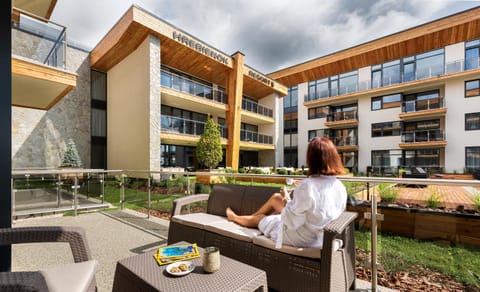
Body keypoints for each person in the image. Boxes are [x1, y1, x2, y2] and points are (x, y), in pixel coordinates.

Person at [226, 137, 347, 248]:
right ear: (333, 158)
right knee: (274, 204)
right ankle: (249, 218)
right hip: (321, 236)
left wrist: (285, 197)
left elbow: (292, 222)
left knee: (262, 218)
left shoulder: (308, 186)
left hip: (302, 239)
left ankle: (235, 218)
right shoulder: (339, 186)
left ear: (311, 159)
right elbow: (318, 210)